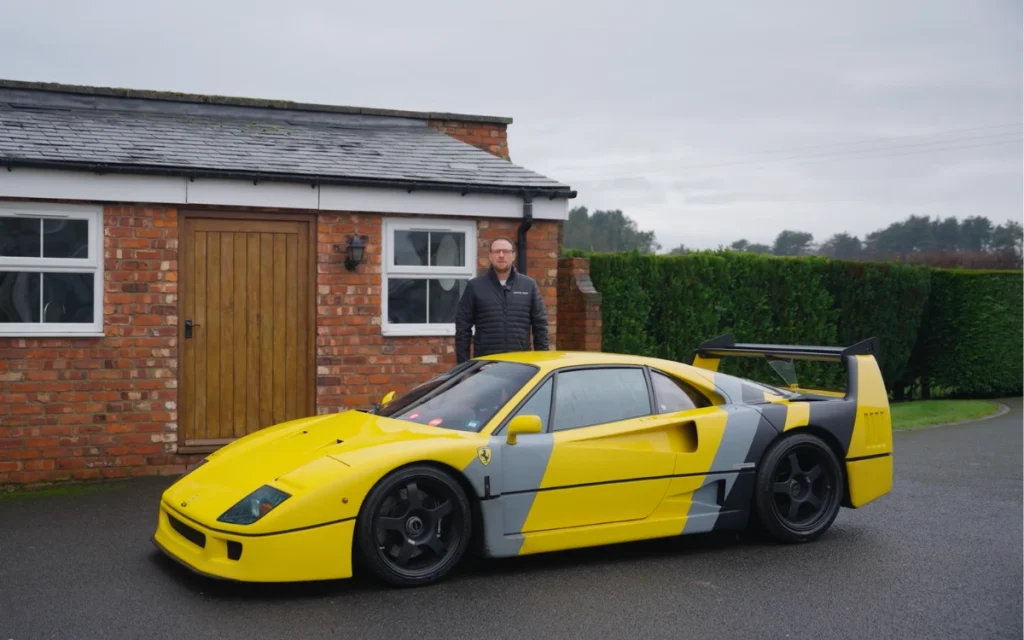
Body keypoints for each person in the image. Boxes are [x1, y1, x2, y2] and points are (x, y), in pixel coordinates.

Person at [455, 236, 549, 363]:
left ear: (513, 255)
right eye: (497, 251)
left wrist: (542, 362)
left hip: (521, 365)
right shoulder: (475, 286)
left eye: (506, 251)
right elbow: (462, 329)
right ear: (490, 256)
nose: (501, 255)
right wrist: (463, 367)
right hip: (486, 365)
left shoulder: (528, 285)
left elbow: (540, 327)